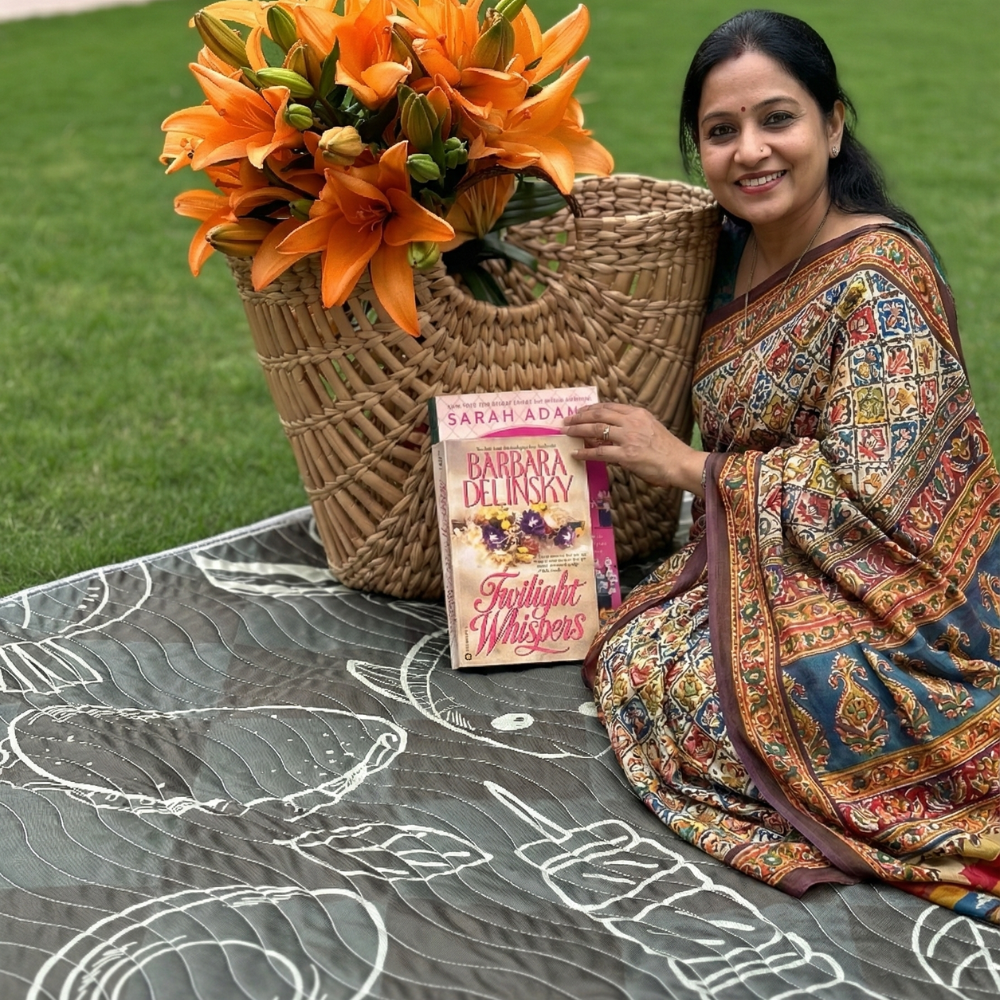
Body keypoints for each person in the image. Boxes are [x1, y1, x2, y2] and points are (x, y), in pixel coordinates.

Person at [563, 9, 1000, 923]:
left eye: (778, 119)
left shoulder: (874, 276)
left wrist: (686, 466)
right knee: (645, 661)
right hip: (768, 563)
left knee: (752, 703)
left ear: (833, 126)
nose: (750, 152)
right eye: (721, 132)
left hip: (904, 601)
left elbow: (874, 497)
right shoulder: (720, 256)